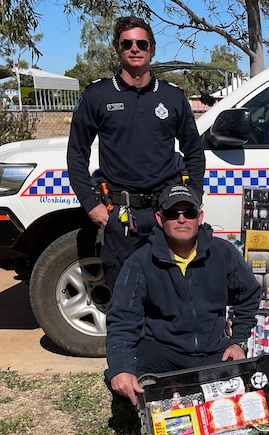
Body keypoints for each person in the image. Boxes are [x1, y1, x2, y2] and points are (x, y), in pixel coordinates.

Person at [67, 15, 206, 291]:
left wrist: (192, 199)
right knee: (124, 301)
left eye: (141, 43)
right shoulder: (98, 95)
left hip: (166, 213)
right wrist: (90, 204)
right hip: (121, 218)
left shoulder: (173, 97)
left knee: (170, 296)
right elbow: (76, 154)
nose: (135, 48)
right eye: (127, 43)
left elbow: (195, 153)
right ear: (118, 49)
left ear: (151, 49)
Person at [105, 185, 262, 407]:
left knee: (255, 388)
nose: (181, 219)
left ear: (199, 217)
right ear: (160, 219)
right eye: (172, 213)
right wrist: (121, 369)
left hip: (214, 351)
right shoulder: (139, 262)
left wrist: (238, 341)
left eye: (188, 213)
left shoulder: (223, 252)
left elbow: (250, 294)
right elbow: (123, 319)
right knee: (123, 377)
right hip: (164, 353)